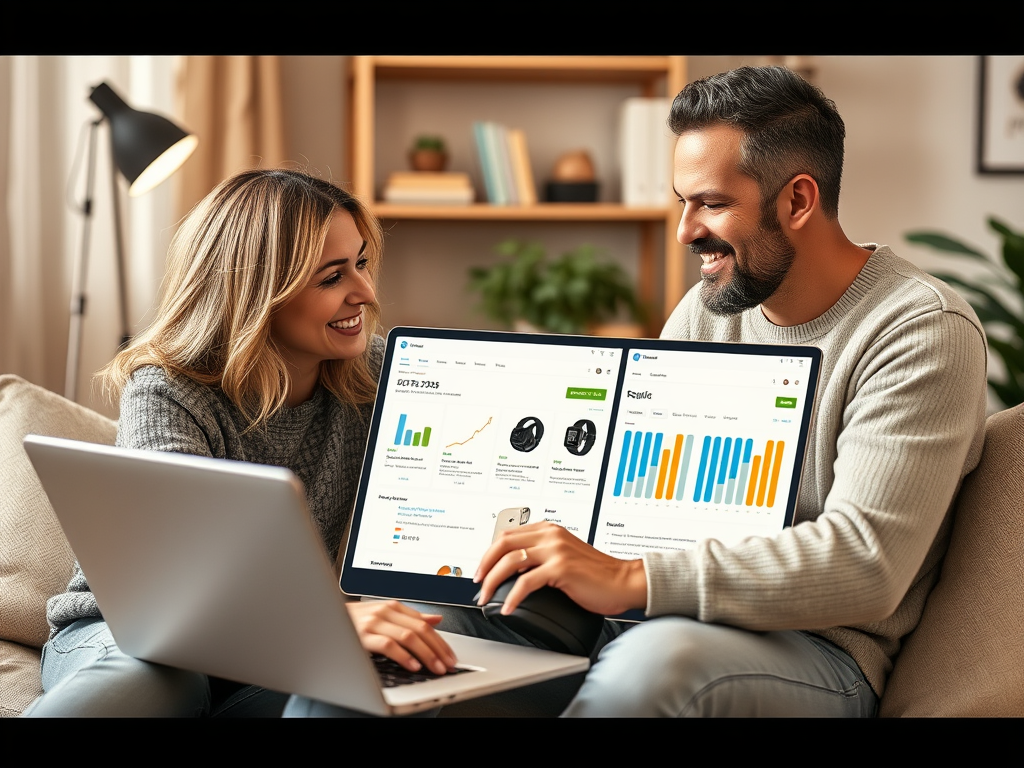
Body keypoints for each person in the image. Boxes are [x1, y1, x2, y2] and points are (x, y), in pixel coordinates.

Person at [473, 66, 989, 717]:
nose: (686, 230)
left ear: (798, 201)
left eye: (711, 203)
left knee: (655, 668)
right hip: (653, 612)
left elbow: (866, 563)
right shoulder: (706, 310)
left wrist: (632, 579)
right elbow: (637, 496)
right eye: (682, 201)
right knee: (430, 630)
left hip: (815, 652)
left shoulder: (918, 330)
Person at [24, 169, 457, 717]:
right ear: (257, 293)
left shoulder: (381, 374)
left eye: (363, 263)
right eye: (332, 277)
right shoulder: (170, 389)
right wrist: (322, 625)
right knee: (165, 683)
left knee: (373, 686)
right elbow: (173, 589)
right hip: (133, 634)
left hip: (279, 654)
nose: (366, 294)